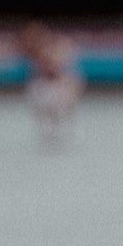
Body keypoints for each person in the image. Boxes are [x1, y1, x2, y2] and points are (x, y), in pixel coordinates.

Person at [18, 22, 83, 150]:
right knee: (44, 108)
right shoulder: (33, 51)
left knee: (58, 107)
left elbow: (63, 72)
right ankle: (50, 129)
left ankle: (60, 128)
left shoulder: (57, 48)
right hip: (44, 84)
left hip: (58, 83)